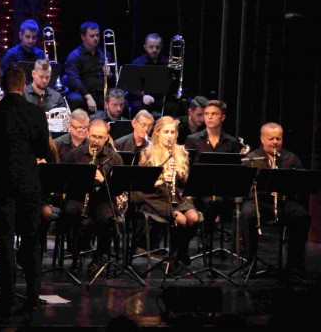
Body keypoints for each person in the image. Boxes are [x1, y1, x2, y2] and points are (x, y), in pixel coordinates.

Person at [0, 66, 48, 316]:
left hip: (2, 184)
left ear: (3, 86)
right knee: (31, 239)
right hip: (29, 184)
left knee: (4, 240)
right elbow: (42, 150)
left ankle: (7, 297)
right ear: (24, 85)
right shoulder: (37, 113)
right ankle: (32, 297)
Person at [241, 122, 310, 276]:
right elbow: (244, 186)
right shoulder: (251, 158)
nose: (275, 142)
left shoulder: (290, 158)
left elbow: (302, 181)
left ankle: (294, 263)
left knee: (302, 216)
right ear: (262, 139)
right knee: (248, 214)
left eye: (278, 138)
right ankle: (250, 262)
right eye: (271, 138)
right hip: (259, 201)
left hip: (283, 201)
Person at [62, 119, 123, 274]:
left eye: (100, 137)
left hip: (103, 198)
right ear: (88, 134)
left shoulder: (114, 158)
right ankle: (76, 255)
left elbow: (118, 189)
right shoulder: (74, 155)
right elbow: (64, 182)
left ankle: (99, 256)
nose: (96, 140)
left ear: (107, 137)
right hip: (79, 197)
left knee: (106, 217)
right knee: (72, 212)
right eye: (93, 136)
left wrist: (103, 180)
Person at [138, 116, 201, 265]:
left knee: (194, 218)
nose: (170, 136)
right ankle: (175, 255)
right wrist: (162, 179)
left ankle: (181, 250)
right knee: (181, 220)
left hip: (177, 196)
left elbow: (187, 183)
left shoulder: (181, 151)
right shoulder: (148, 153)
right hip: (155, 196)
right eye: (166, 132)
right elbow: (143, 184)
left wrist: (181, 173)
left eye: (172, 132)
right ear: (157, 133)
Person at [184, 100, 244, 241]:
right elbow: (187, 166)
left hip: (223, 189)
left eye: (214, 114)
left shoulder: (232, 142)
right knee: (212, 201)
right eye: (206, 114)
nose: (209, 117)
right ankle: (205, 236)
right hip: (199, 188)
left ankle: (205, 236)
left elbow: (235, 170)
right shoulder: (193, 139)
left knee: (217, 200)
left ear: (223, 117)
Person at [63, 21, 107, 114]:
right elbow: (74, 80)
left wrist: (109, 74)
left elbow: (111, 78)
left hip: (100, 92)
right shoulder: (74, 56)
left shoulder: (104, 54)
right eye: (92, 36)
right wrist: (88, 96)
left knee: (119, 101)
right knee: (75, 99)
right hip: (82, 93)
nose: (96, 38)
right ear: (83, 37)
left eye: (97, 35)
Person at [128, 33, 169, 115]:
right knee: (139, 107)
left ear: (161, 47)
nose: (154, 50)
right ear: (145, 47)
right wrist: (143, 96)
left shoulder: (166, 62)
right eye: (151, 47)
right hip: (143, 98)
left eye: (157, 47)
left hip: (161, 99)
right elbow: (132, 87)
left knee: (176, 106)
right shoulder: (138, 63)